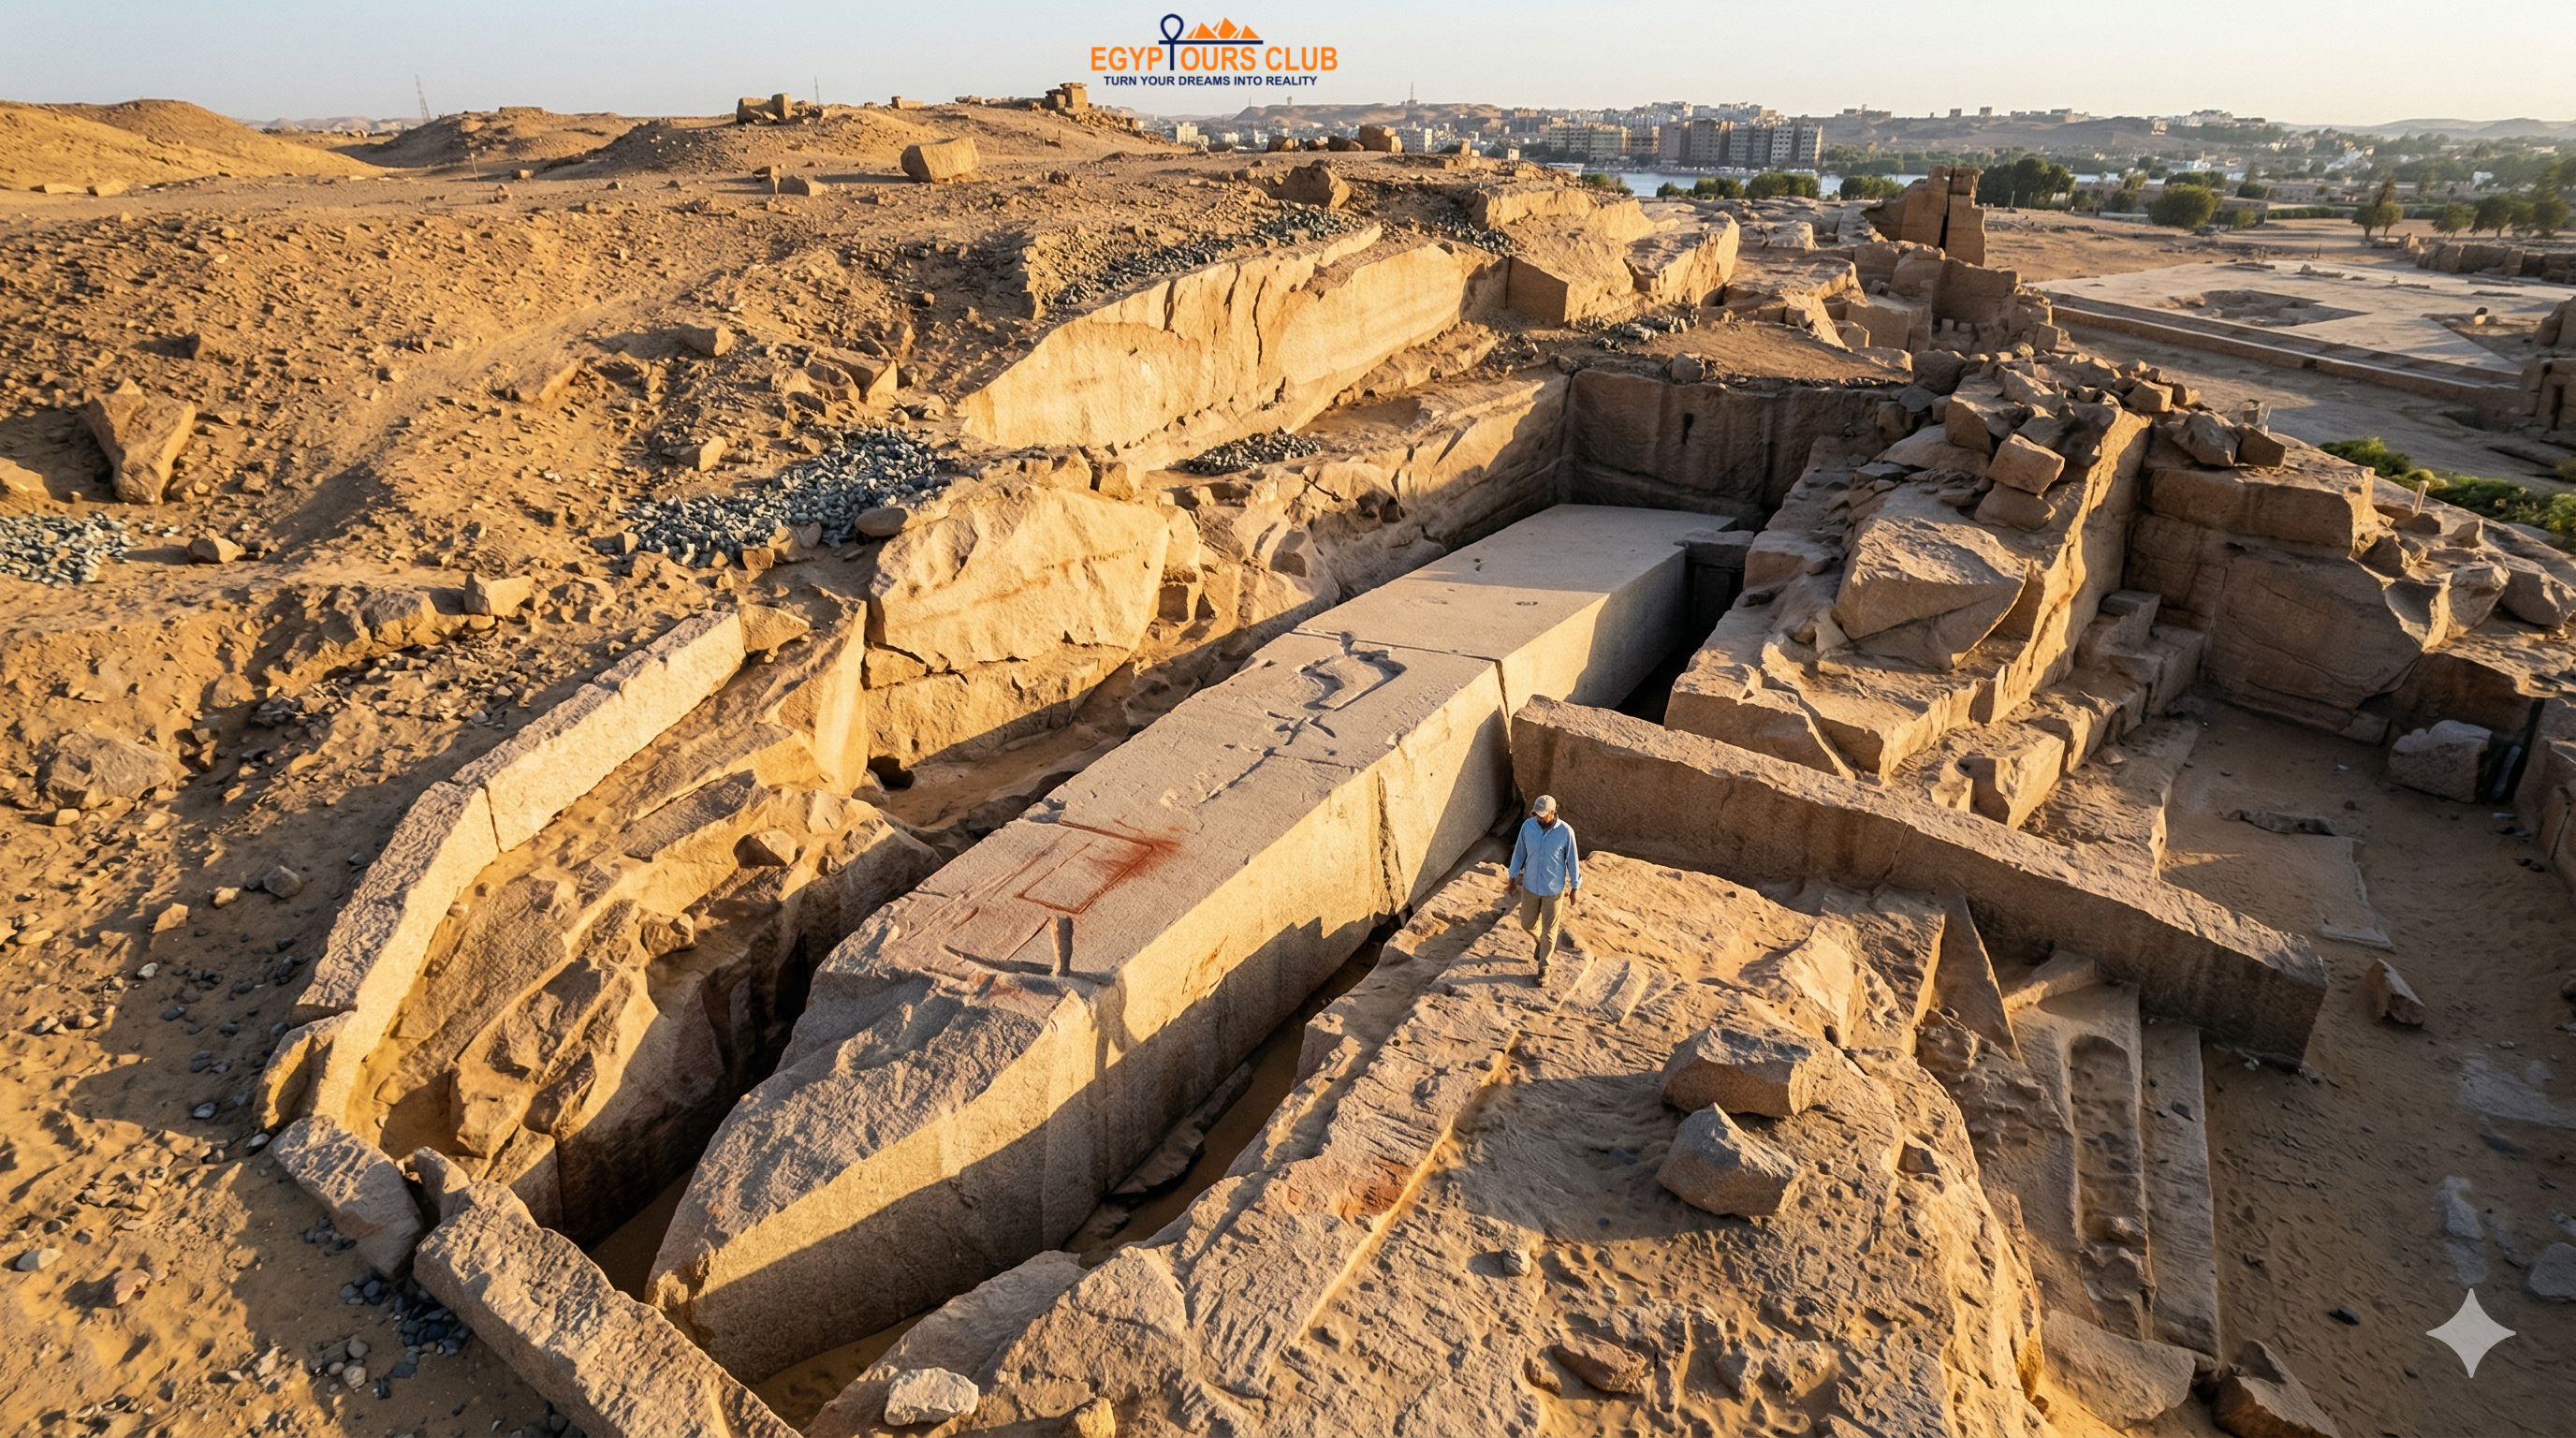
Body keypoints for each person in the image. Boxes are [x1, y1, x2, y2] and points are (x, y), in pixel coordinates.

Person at [1505, 793, 1579, 982]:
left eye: (1543, 814)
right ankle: (1539, 940)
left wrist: (1574, 887)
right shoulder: (1528, 827)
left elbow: (1572, 860)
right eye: (1536, 813)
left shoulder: (1565, 832)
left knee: (1550, 931)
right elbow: (1519, 852)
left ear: (1553, 812)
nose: (1539, 817)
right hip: (1530, 885)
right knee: (1526, 923)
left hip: (1553, 890)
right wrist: (1512, 877)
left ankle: (1544, 968)